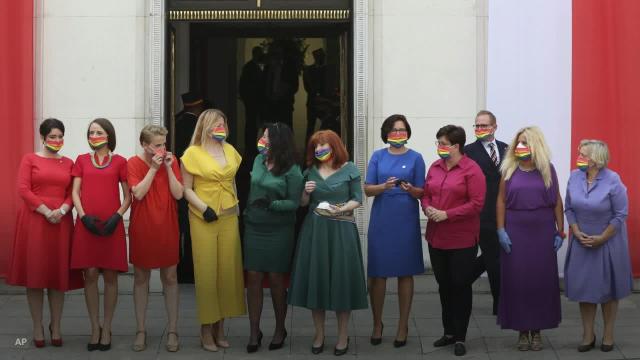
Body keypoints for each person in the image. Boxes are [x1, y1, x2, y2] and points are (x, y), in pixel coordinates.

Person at [288, 130, 368, 356]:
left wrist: (340, 208)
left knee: (342, 282)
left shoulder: (349, 169)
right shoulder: (310, 172)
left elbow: (357, 199)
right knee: (317, 280)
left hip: (342, 229)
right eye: (316, 147)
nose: (319, 150)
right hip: (315, 231)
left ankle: (343, 336)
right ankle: (319, 333)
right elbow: (303, 203)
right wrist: (305, 191)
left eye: (324, 146)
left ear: (335, 146)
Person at [7, 118, 84, 348]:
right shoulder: (30, 159)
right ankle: (38, 325)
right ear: (42, 138)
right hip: (35, 221)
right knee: (36, 275)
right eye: (52, 136)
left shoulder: (69, 162)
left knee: (57, 275)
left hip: (60, 221)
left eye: (60, 136)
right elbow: (23, 189)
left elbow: (73, 192)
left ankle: (56, 325)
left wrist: (61, 210)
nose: (57, 140)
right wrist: (45, 210)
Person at [181, 109, 246, 352]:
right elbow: (186, 189)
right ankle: (206, 328)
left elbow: (232, 182)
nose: (222, 127)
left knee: (227, 272)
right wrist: (203, 207)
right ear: (206, 126)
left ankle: (221, 326)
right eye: (217, 124)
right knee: (207, 272)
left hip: (229, 215)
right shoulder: (192, 153)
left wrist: (238, 210)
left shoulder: (230, 150)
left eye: (224, 123)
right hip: (203, 217)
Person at [496, 126, 564, 351]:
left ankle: (538, 331)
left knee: (540, 281)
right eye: (518, 142)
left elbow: (556, 201)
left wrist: (560, 230)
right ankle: (522, 331)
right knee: (518, 281)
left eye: (525, 142)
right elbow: (501, 201)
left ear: (536, 145)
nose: (520, 146)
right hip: (515, 231)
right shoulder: (508, 170)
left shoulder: (547, 169)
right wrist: (500, 229)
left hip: (542, 232)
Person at [421, 125, 486, 357]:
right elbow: (426, 193)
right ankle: (448, 332)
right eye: (438, 143)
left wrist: (448, 214)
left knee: (460, 284)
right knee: (444, 285)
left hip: (462, 238)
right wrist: (427, 207)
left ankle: (460, 336)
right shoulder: (435, 167)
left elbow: (477, 204)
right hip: (436, 237)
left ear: (456, 146)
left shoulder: (472, 170)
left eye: (443, 143)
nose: (439, 147)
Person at [564, 139, 632, 353]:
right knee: (585, 290)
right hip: (581, 241)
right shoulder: (574, 177)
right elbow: (568, 208)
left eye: (583, 155)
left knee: (609, 291)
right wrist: (575, 231)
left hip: (608, 242)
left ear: (596, 159)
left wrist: (603, 237)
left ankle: (609, 335)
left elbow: (621, 213)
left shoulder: (613, 180)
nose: (579, 158)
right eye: (579, 153)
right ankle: (588, 334)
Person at [364, 114, 425, 347]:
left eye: (402, 129)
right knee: (378, 275)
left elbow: (422, 191)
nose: (398, 134)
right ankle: (377, 323)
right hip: (382, 219)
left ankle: (402, 325)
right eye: (394, 130)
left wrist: (411, 189)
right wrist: (384, 186)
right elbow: (368, 189)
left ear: (407, 132)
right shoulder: (377, 156)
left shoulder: (416, 158)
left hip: (406, 220)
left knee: (404, 273)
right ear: (386, 133)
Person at [70, 118, 131, 352]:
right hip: (87, 226)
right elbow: (75, 192)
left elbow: (127, 196)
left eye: (98, 132)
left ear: (109, 135)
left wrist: (117, 217)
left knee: (111, 277)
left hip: (111, 226)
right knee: (91, 274)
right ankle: (94, 327)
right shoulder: (81, 160)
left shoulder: (120, 162)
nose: (94, 135)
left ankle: (107, 327)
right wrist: (83, 216)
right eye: (91, 132)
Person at [243, 122, 303, 353]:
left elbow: (294, 203)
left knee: (277, 280)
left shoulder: (292, 169)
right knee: (254, 277)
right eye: (262, 136)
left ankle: (280, 329)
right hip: (254, 227)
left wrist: (272, 203)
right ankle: (254, 331)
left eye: (267, 138)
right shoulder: (258, 161)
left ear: (279, 142)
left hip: (279, 230)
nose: (262, 141)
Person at [127, 125, 184, 352]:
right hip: (143, 225)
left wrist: (169, 169)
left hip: (167, 224)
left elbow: (179, 193)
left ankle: (172, 330)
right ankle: (141, 330)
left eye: (164, 144)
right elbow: (138, 193)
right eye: (157, 145)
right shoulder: (133, 163)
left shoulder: (173, 160)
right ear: (145, 145)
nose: (162, 149)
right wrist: (153, 168)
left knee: (170, 277)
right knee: (141, 277)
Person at [464, 110, 508, 315]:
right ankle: (500, 304)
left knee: (495, 256)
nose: (480, 129)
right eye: (477, 126)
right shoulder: (468, 151)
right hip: (480, 214)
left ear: (494, 127)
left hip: (503, 213)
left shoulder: (507, 149)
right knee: (493, 257)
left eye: (484, 125)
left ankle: (460, 281)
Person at [174, 91, 205, 284]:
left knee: (181, 227)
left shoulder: (176, 120)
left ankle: (180, 267)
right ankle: (189, 269)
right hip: (193, 177)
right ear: (198, 106)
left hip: (176, 175)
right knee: (191, 225)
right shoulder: (196, 125)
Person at [239, 46, 267, 159]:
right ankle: (250, 148)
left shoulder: (250, 67)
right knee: (252, 125)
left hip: (253, 101)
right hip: (253, 101)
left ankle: (250, 148)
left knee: (252, 125)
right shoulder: (250, 68)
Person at [303, 48, 327, 143]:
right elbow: (308, 86)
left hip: (324, 102)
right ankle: (308, 149)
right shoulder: (309, 70)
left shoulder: (325, 70)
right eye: (320, 56)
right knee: (310, 126)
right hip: (313, 101)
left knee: (325, 125)